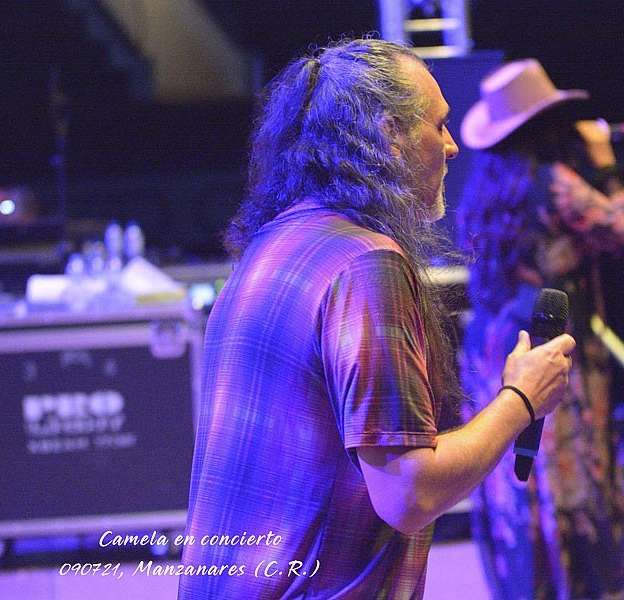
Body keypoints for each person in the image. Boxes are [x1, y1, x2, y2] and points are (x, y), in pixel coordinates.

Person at [178, 39, 575, 600]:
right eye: (438, 126)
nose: (452, 146)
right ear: (390, 135)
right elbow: (409, 494)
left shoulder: (273, 243)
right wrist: (522, 399)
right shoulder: (366, 264)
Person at [457, 59, 624, 599]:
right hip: (549, 348)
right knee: (567, 472)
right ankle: (576, 587)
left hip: (495, 346)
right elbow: (622, 226)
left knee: (515, 472)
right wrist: (605, 163)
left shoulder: (485, 185)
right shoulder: (553, 182)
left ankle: (526, 586)